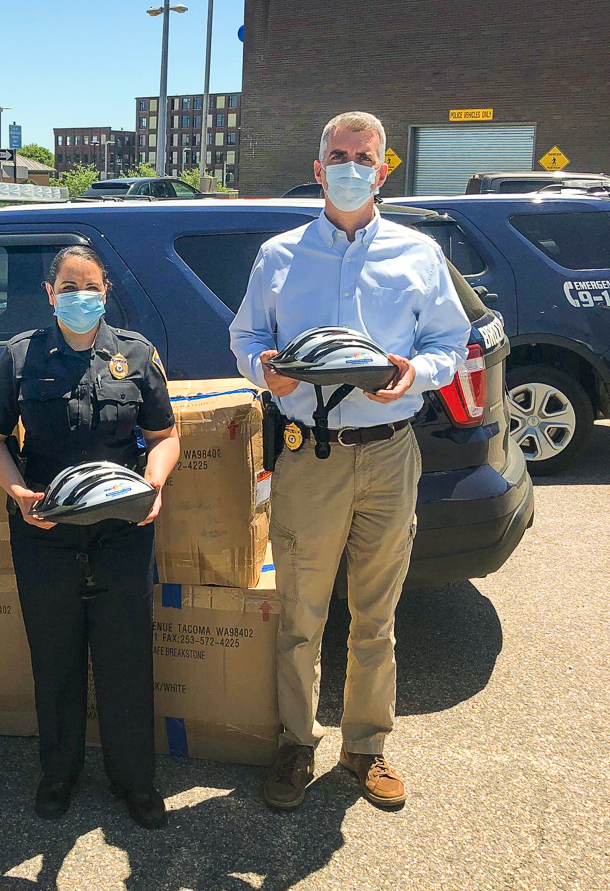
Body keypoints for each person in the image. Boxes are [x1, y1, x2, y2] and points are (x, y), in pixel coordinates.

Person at [230, 112, 471, 810]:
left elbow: (448, 346)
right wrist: (261, 372)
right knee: (300, 613)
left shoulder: (417, 254)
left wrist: (415, 374)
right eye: (337, 154)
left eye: (363, 156)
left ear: (384, 167)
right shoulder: (279, 255)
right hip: (311, 456)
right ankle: (294, 744)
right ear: (317, 167)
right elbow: (245, 334)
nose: (349, 165)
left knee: (377, 613)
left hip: (391, 454)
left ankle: (366, 748)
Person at [0, 246, 180, 829]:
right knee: (55, 653)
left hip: (122, 528)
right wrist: (17, 492)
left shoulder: (136, 356)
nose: (79, 296)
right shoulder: (19, 357)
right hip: (46, 529)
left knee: (125, 654)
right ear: (50, 293)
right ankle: (58, 774)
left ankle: (135, 781)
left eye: (89, 286)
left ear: (106, 291)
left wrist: (155, 483)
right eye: (68, 287)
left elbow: (164, 434)